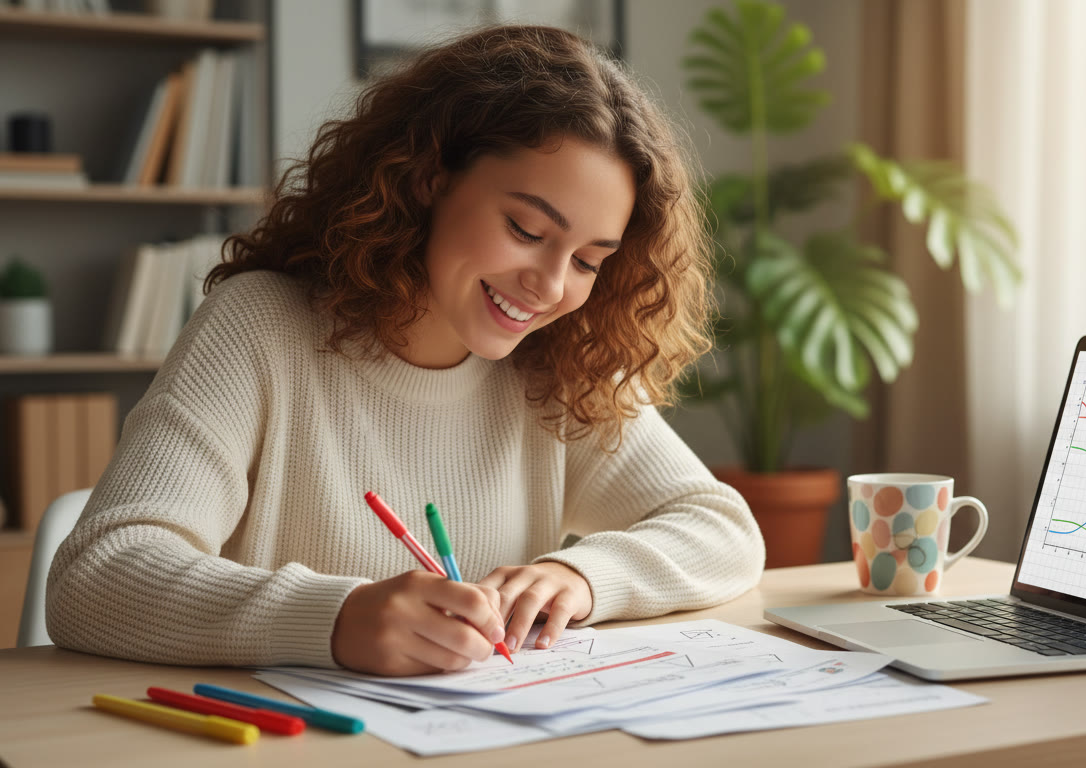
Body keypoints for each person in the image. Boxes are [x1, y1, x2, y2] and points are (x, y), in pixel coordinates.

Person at [46, 25, 764, 676]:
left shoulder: (559, 360)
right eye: (525, 228)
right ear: (428, 179)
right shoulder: (261, 327)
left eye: (588, 260)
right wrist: (333, 619)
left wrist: (583, 578)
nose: (549, 286)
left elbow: (722, 529)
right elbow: (97, 576)